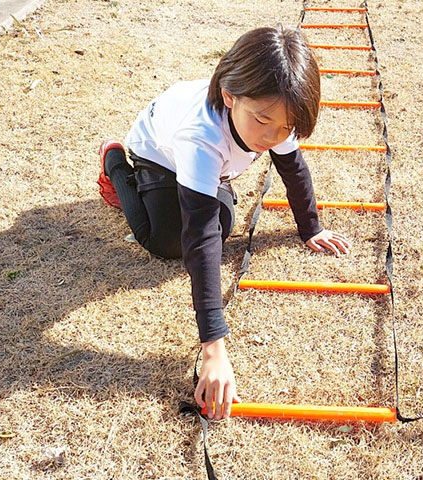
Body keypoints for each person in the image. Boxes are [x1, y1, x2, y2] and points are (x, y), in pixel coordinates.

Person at [96, 25, 351, 420]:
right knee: (166, 241)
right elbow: (198, 239)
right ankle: (115, 164)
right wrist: (214, 348)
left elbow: (294, 169)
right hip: (158, 154)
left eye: (285, 128)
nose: (273, 136)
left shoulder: (276, 109)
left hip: (205, 163)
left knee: (223, 222)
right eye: (263, 121)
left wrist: (311, 228)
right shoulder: (201, 136)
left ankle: (205, 184)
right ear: (230, 95)